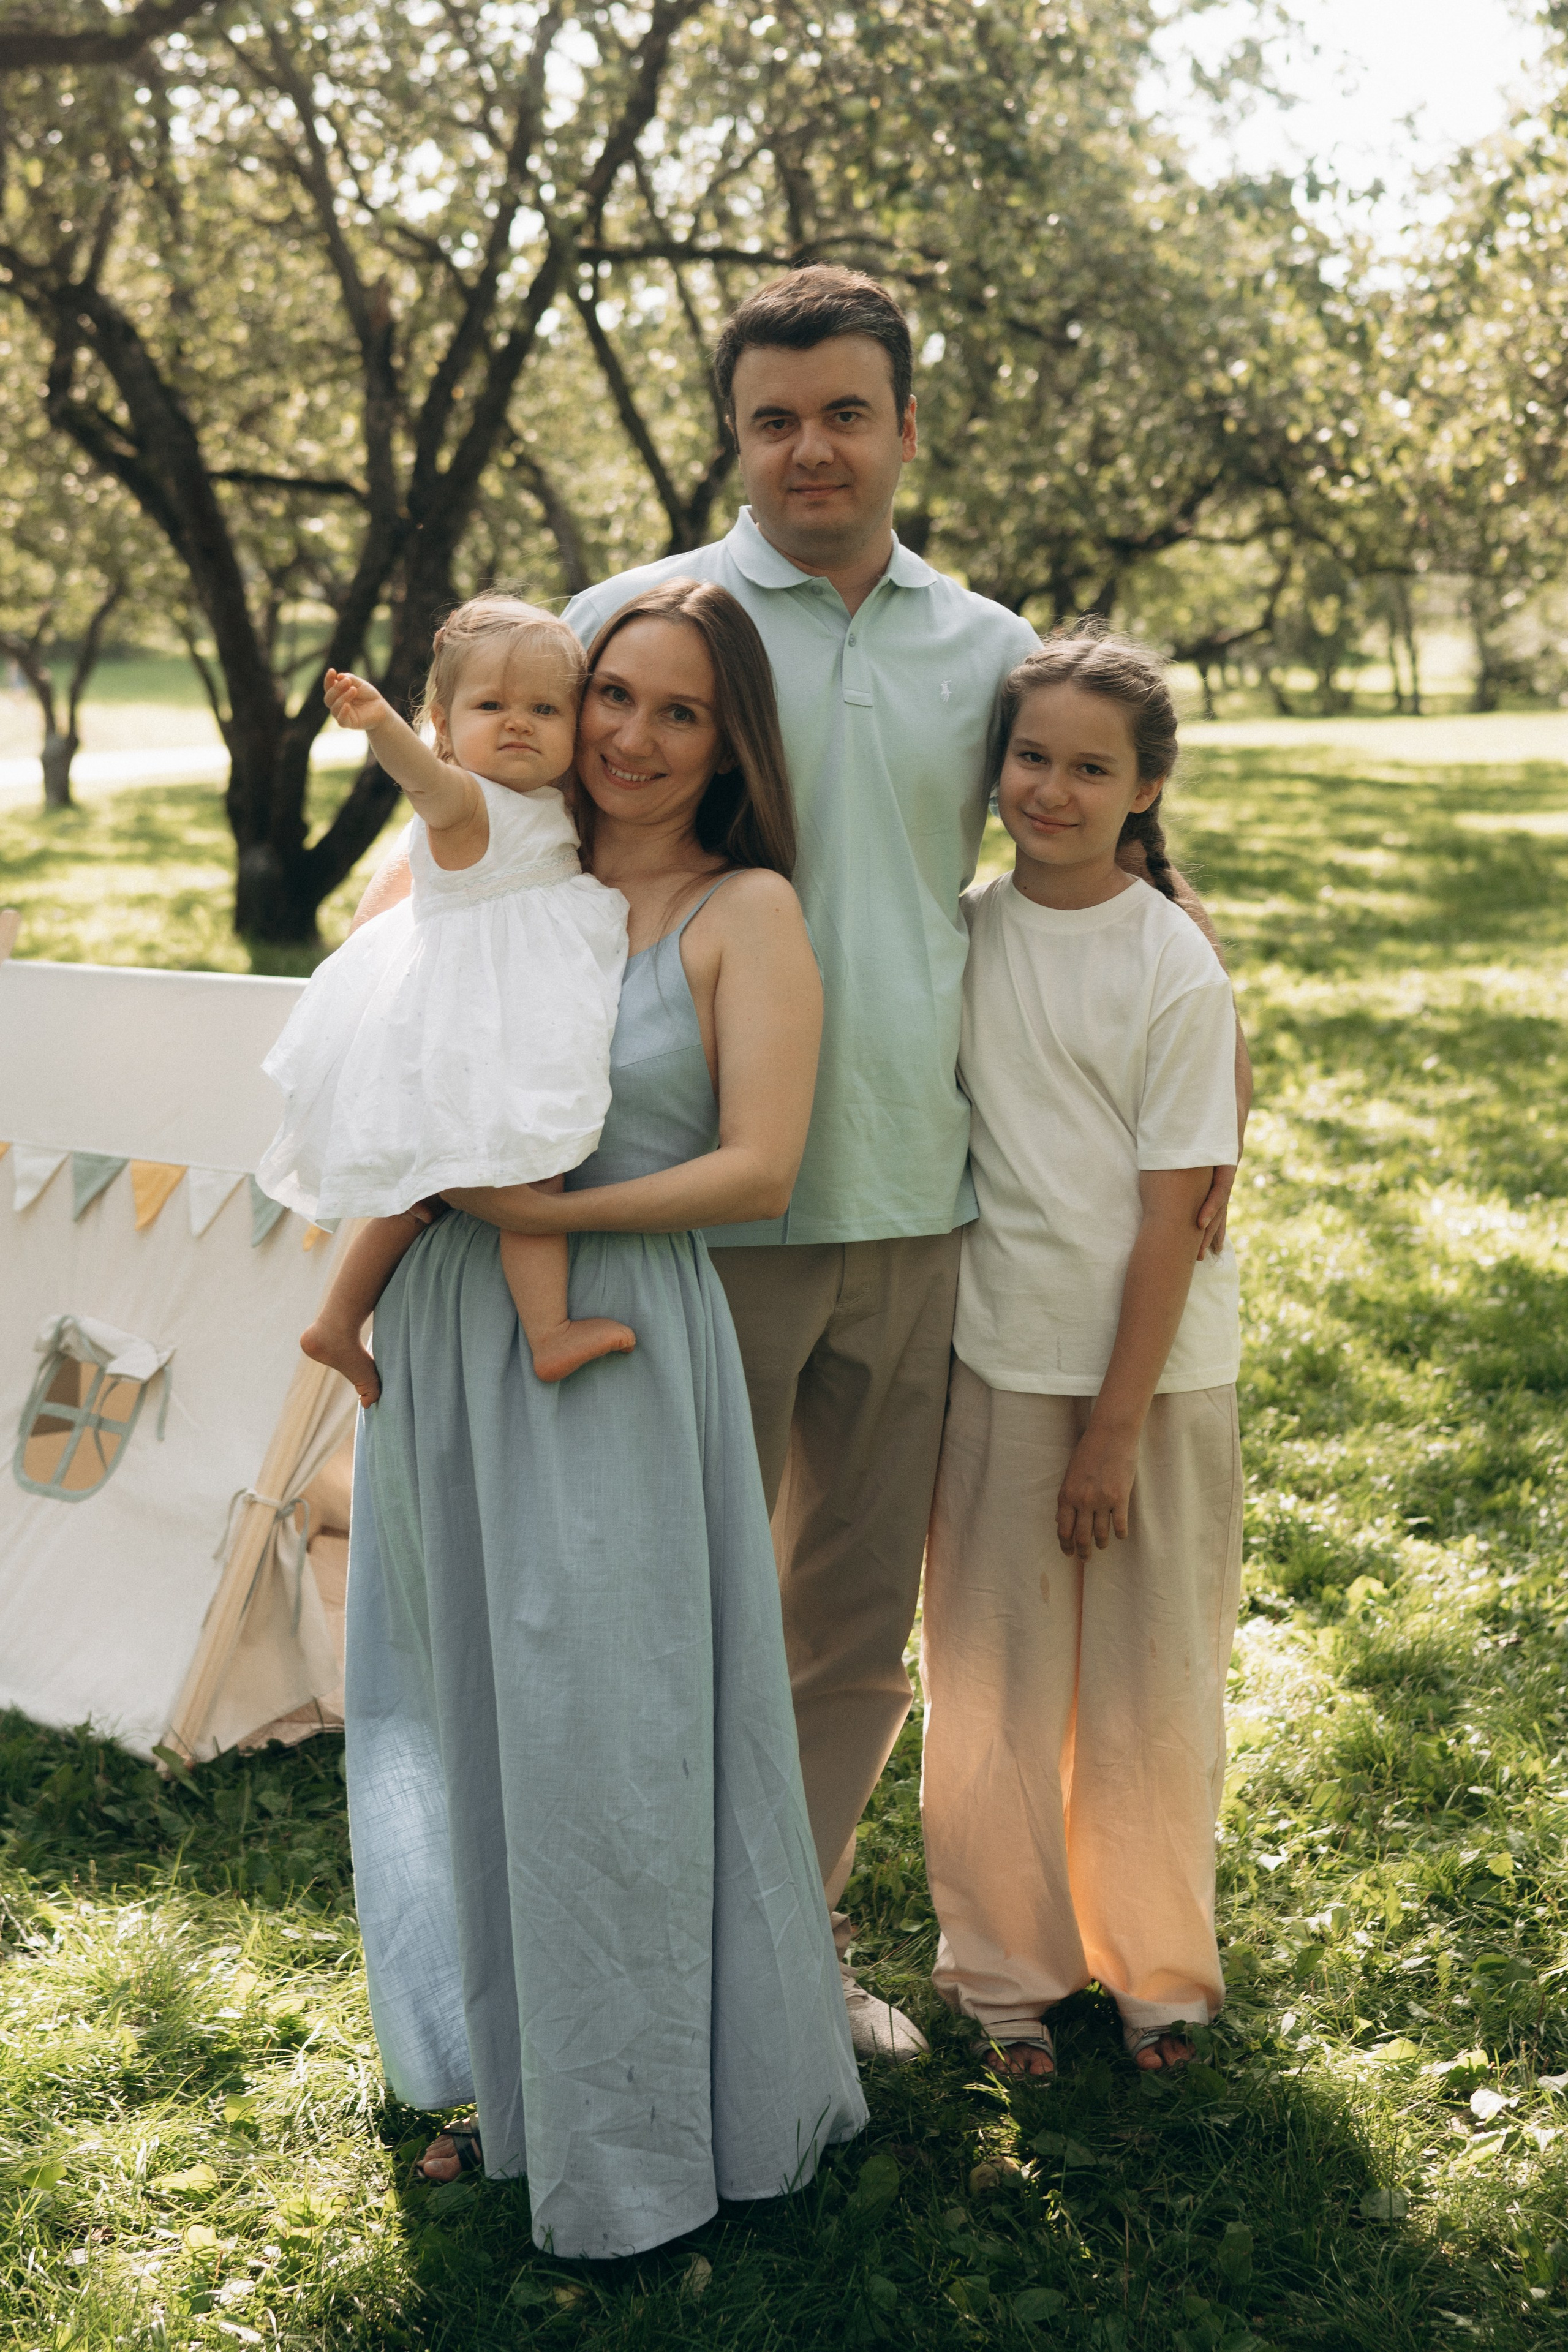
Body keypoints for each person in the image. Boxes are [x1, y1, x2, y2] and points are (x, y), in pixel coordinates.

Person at [357, 265, 1248, 2059]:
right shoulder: (639, 625)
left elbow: (1100, 845)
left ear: (908, 429)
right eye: (775, 417)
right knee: (655, 1610)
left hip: (925, 1209)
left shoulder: (987, 648)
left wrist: (1214, 1050)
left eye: (848, 411)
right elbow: (458, 854)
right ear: (736, 434)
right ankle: (628, 1950)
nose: (812, 446)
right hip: (677, 1218)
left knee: (848, 1622)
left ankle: (800, 1939)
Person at [345, 577, 866, 2259]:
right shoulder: (499, 866)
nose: (630, 739)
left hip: (614, 1332)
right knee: (473, 1703)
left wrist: (541, 1222)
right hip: (450, 1330)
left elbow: (760, 1167)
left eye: (679, 712)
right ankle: (515, 2076)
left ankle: (656, 2116)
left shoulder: (744, 909)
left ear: (729, 747)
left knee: (618, 1736)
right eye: (610, 699)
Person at [919, 627, 1244, 2084]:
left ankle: (1157, 1978)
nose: (1050, 788)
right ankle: (1002, 1980)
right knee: (989, 1692)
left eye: (1088, 766)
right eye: (1029, 756)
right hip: (995, 1361)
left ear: (1145, 785)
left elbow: (1175, 1218)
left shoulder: (1170, 962)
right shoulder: (962, 929)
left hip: (1152, 1385)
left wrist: (1111, 1432)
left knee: (1147, 1690)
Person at [257, 596, 635, 1399]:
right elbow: (424, 782)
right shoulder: (466, 805)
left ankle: (334, 1324)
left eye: (544, 708)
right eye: (490, 707)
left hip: (480, 1011)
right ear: (444, 720)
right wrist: (382, 725)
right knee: (537, 1164)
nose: (518, 724)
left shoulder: (541, 803)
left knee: (423, 1193)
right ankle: (550, 1332)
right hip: (473, 1021)